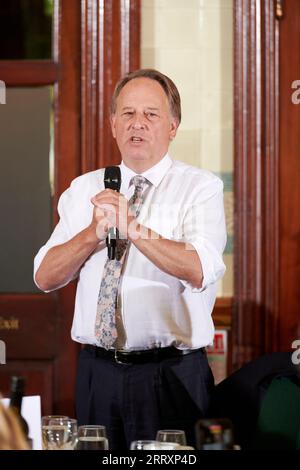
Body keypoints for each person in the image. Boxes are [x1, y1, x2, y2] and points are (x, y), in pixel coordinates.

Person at [34, 68, 226, 449]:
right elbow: (45, 276)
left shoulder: (200, 187)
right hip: (97, 372)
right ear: (112, 124)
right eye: (127, 113)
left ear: (172, 126)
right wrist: (93, 233)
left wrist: (132, 226)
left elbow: (199, 268)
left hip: (169, 374)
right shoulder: (85, 188)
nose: (138, 124)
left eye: (151, 115)